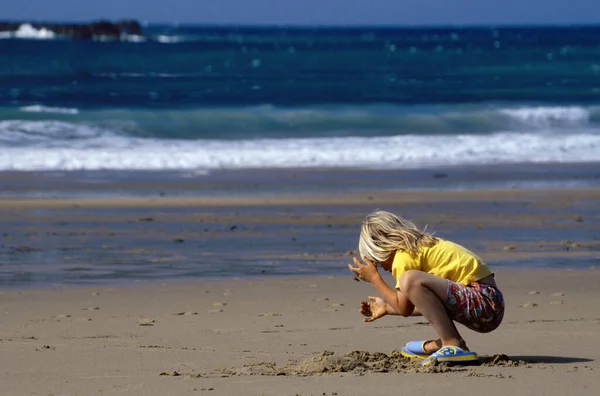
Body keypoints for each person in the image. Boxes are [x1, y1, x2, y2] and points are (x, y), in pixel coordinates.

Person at [348, 209, 504, 366]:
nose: (384, 269)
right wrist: (387, 307)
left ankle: (452, 342)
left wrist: (374, 278)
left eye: (378, 262)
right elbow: (424, 302)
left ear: (381, 247)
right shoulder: (418, 247)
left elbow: (403, 309)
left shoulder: (404, 256)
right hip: (487, 307)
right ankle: (442, 344)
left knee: (409, 279)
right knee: (412, 284)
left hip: (483, 301)